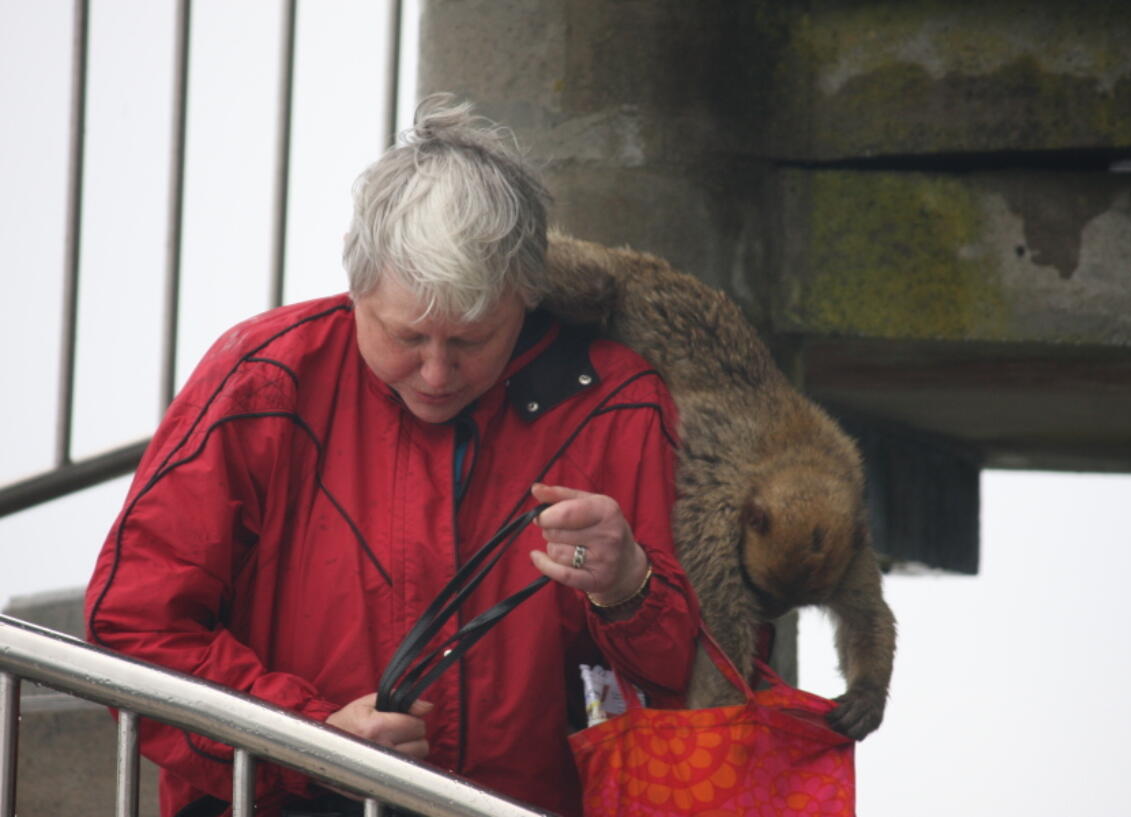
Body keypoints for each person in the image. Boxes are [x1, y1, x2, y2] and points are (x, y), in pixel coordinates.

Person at [84, 94, 700, 817]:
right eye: (407, 337)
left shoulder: (616, 402)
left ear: (526, 300)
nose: (436, 374)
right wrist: (309, 736)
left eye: (470, 341)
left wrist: (629, 586)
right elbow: (133, 628)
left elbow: (703, 678)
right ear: (356, 289)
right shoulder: (265, 378)